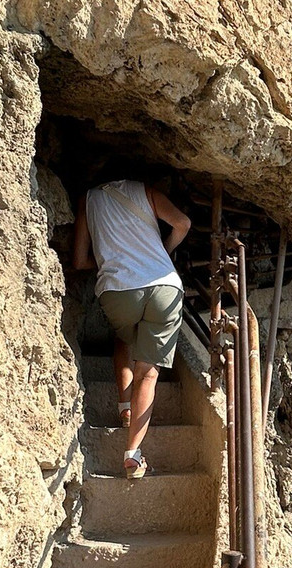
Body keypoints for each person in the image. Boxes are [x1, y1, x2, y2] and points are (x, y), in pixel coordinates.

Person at [73, 178, 191, 478]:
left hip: (119, 290)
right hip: (165, 287)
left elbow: (79, 260)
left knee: (124, 339)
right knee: (149, 373)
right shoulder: (146, 191)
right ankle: (133, 455)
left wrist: (109, 261)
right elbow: (182, 223)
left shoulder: (89, 200)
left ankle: (125, 406)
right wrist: (163, 252)